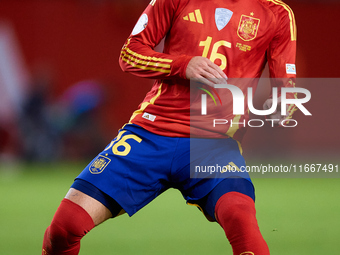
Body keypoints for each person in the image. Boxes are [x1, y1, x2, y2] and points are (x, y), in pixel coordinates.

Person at [42, 0, 297, 254]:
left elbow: (286, 85)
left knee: (240, 219)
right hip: (149, 134)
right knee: (64, 228)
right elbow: (130, 54)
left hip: (214, 146)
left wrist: (286, 104)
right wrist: (182, 65)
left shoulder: (276, 13)